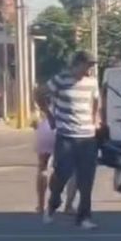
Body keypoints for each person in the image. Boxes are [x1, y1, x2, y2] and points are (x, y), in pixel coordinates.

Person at [41, 50, 101, 229]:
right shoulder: (61, 80)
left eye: (92, 66)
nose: (89, 69)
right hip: (66, 137)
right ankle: (53, 204)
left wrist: (95, 120)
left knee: (86, 180)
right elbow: (39, 93)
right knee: (62, 174)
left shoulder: (92, 82)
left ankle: (84, 218)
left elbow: (95, 101)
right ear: (77, 64)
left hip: (87, 137)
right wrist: (49, 115)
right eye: (87, 65)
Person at [34, 86, 78, 215]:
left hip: (46, 128)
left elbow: (37, 92)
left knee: (42, 167)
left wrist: (45, 109)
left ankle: (40, 205)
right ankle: (68, 205)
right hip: (63, 129)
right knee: (72, 170)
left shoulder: (50, 90)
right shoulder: (70, 92)